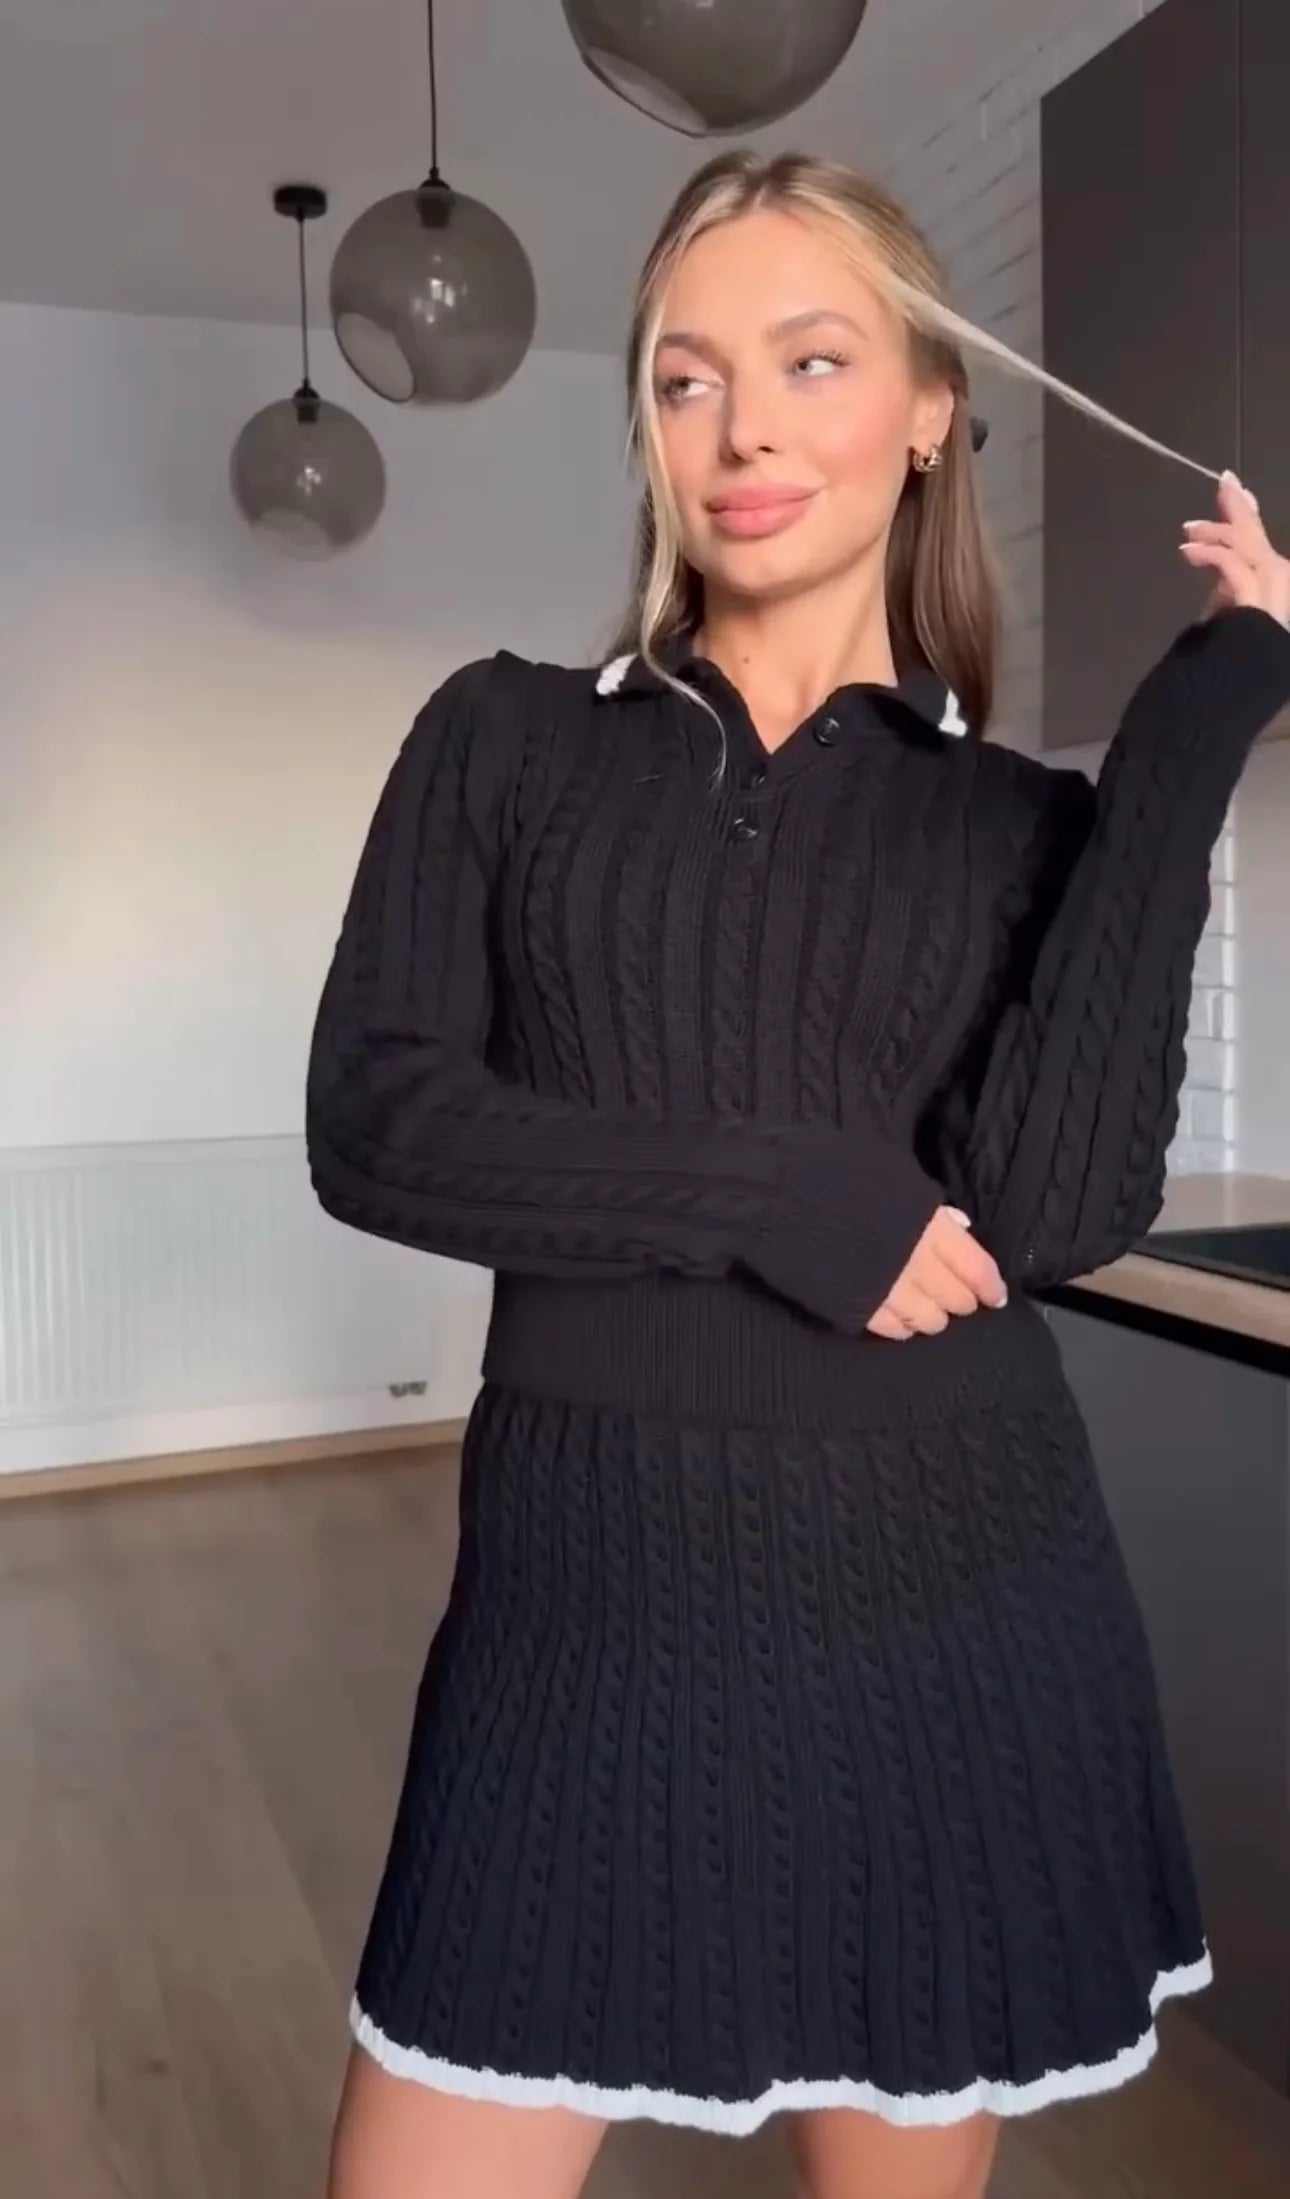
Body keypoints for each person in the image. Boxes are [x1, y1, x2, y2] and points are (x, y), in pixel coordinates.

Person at [306, 150, 1290, 2199]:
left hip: (949, 1595)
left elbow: (1048, 1209)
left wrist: (1200, 726)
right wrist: (780, 1195)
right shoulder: (502, 741)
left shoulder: (1014, 823)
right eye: (686, 377)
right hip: (581, 1603)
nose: (742, 428)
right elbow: (381, 1117)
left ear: (929, 408)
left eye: (811, 360)